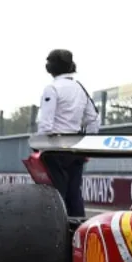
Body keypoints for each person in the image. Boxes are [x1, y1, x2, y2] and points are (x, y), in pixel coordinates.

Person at [36, 48, 102, 217]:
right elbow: (93, 119)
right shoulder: (80, 88)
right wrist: (89, 145)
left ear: (52, 67)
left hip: (55, 148)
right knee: (74, 194)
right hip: (76, 147)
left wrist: (40, 147)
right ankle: (78, 232)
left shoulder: (52, 88)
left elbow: (46, 123)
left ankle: (56, 232)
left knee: (56, 194)